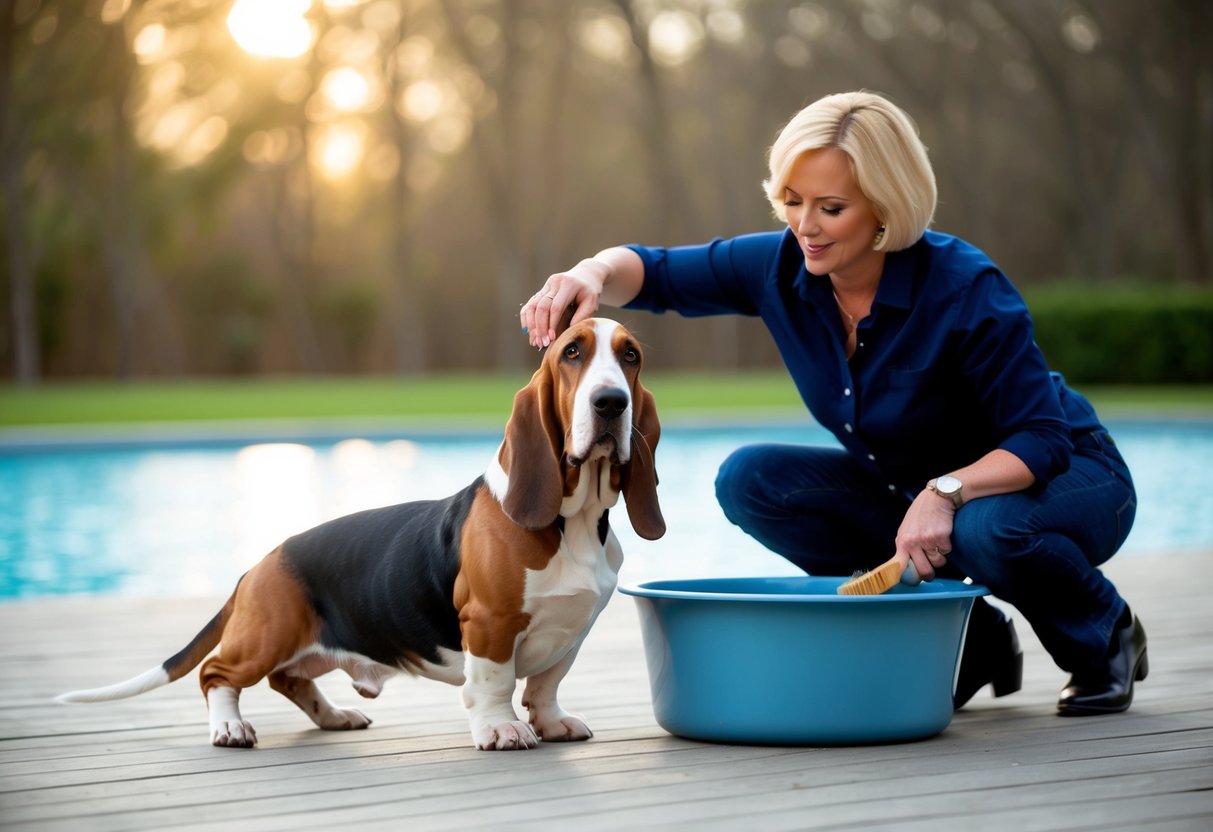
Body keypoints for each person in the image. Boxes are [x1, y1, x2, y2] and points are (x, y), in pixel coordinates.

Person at [520, 90, 1146, 716]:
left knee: (988, 529)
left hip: (1067, 476)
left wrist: (945, 491)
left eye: (831, 207)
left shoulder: (965, 287)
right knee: (755, 480)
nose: (804, 225)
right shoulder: (782, 268)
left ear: (884, 207)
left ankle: (1105, 635)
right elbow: (653, 273)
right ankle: (971, 639)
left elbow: (1042, 437)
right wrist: (591, 274)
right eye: (792, 201)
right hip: (921, 497)